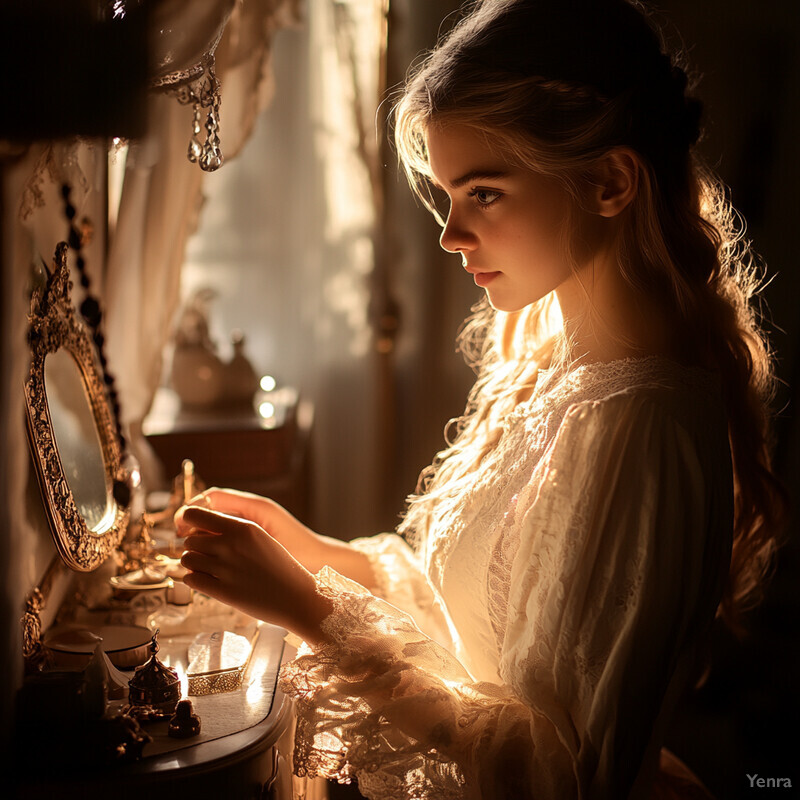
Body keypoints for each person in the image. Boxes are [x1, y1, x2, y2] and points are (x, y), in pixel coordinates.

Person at [174, 1, 786, 797]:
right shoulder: (551, 363)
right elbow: (468, 628)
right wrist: (316, 558)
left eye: (485, 193)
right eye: (447, 194)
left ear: (609, 181)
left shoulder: (647, 426)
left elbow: (558, 775)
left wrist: (309, 607)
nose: (450, 235)